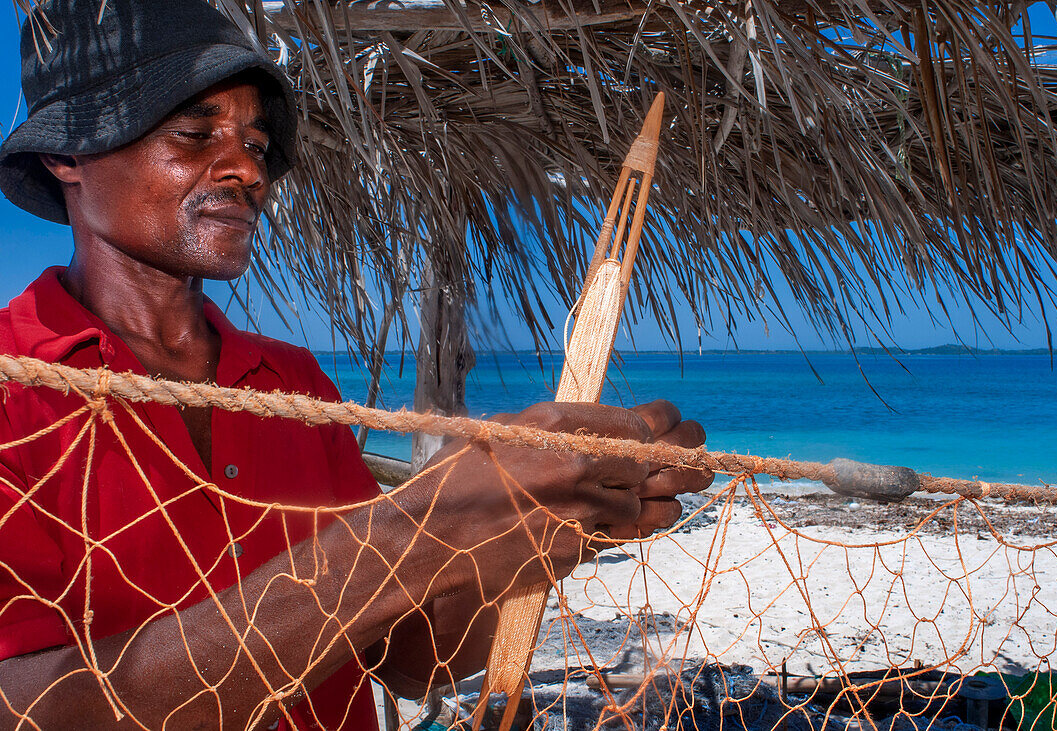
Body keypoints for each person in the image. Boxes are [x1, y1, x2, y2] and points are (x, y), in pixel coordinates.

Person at [0, 0, 712, 728]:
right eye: (195, 133)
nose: (248, 167)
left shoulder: (292, 385)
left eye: (255, 139)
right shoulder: (10, 387)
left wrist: (539, 527)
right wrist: (419, 527)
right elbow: (26, 707)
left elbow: (409, 659)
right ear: (68, 153)